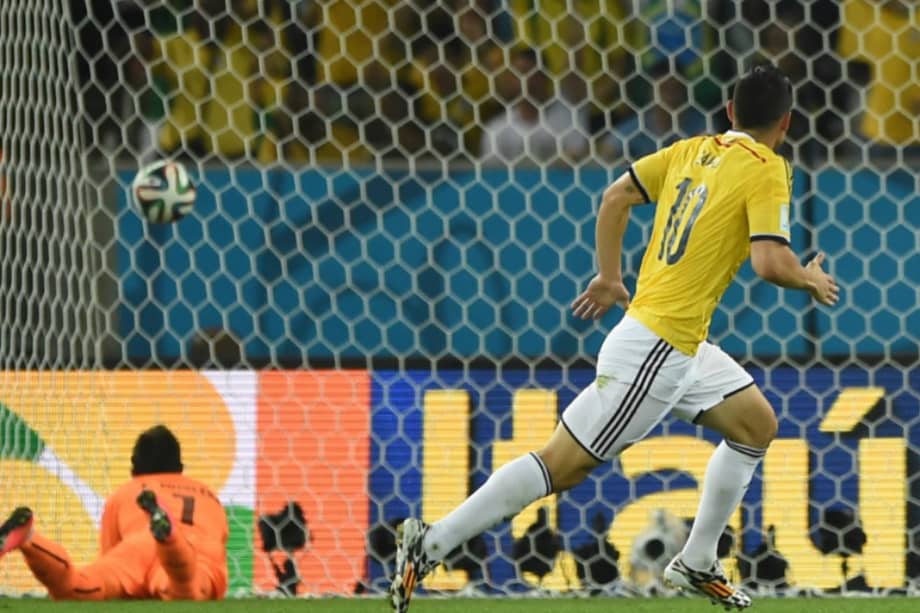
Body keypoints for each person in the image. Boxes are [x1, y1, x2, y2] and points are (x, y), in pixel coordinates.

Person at [389, 63, 838, 611]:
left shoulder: (689, 149)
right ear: (786, 123)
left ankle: (697, 560)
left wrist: (608, 275)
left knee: (756, 425)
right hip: (658, 349)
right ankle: (431, 543)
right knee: (564, 465)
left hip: (676, 341)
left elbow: (615, 196)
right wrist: (809, 278)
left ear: (728, 113)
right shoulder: (768, 167)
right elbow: (769, 262)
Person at [0, 425, 228, 600]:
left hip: (137, 547)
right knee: (185, 589)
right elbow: (220, 538)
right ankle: (170, 538)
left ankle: (29, 539)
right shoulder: (209, 495)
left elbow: (111, 553)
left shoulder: (125, 493)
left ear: (134, 468)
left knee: (81, 587)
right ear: (180, 468)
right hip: (198, 548)